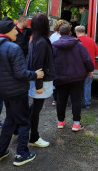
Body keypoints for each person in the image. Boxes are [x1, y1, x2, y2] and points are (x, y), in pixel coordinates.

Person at [0, 16, 44, 166]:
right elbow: (20, 73)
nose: (17, 31)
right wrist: (36, 74)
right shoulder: (13, 48)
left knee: (10, 120)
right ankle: (22, 154)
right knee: (23, 121)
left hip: (4, 91)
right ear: (8, 30)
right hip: (17, 91)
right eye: (15, 29)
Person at [52, 24, 94, 131]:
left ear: (60, 33)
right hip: (77, 77)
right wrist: (90, 69)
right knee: (76, 100)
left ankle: (60, 122)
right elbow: (87, 60)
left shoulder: (54, 46)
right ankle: (76, 124)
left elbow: (49, 62)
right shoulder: (79, 45)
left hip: (60, 77)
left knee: (61, 99)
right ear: (71, 32)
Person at [27, 13, 56, 148]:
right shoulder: (42, 41)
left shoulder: (34, 39)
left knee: (34, 108)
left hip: (38, 78)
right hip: (41, 80)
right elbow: (38, 64)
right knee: (36, 109)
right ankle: (34, 137)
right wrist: (39, 85)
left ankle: (18, 127)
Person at [75, 26, 98, 108]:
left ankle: (76, 102)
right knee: (87, 85)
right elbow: (97, 52)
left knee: (77, 85)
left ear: (76, 32)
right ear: (84, 31)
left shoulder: (75, 41)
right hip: (89, 67)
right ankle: (87, 103)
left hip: (78, 67)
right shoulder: (91, 40)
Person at [49, 19, 70, 106]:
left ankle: (55, 99)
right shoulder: (63, 37)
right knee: (63, 81)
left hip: (54, 61)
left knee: (55, 81)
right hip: (63, 61)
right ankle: (62, 99)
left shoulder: (52, 36)